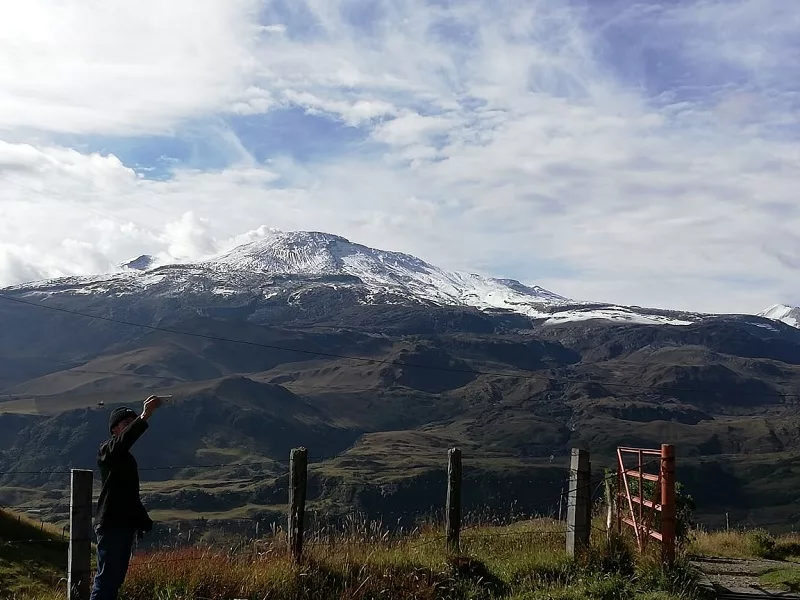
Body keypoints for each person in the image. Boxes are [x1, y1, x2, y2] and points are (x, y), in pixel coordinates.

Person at [90, 395, 163, 600]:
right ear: (114, 429)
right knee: (106, 578)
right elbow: (123, 442)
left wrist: (141, 520)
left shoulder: (124, 456)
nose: (130, 426)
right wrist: (143, 417)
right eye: (126, 423)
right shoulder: (107, 451)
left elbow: (127, 493)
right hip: (111, 524)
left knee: (115, 578)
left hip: (123, 524)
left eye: (132, 423)